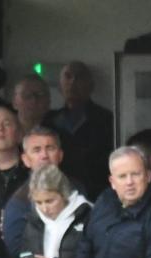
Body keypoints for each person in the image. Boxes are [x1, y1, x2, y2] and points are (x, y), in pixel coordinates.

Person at [76, 146, 151, 258]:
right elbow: (84, 248)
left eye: (135, 174)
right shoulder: (104, 202)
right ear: (112, 182)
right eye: (122, 176)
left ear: (148, 176)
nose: (129, 182)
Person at [14, 164, 90, 258]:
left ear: (64, 194)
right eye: (38, 202)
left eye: (49, 201)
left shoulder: (86, 216)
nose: (44, 208)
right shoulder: (33, 222)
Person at [2, 126, 72, 258]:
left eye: (50, 148)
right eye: (36, 150)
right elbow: (16, 253)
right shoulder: (19, 200)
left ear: (60, 155)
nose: (44, 155)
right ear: (25, 159)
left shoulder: (78, 191)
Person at [49, 61, 113, 199]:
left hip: (97, 191)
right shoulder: (49, 120)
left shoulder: (106, 119)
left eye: (79, 77)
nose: (73, 82)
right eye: (68, 76)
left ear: (91, 85)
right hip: (57, 191)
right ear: (60, 85)